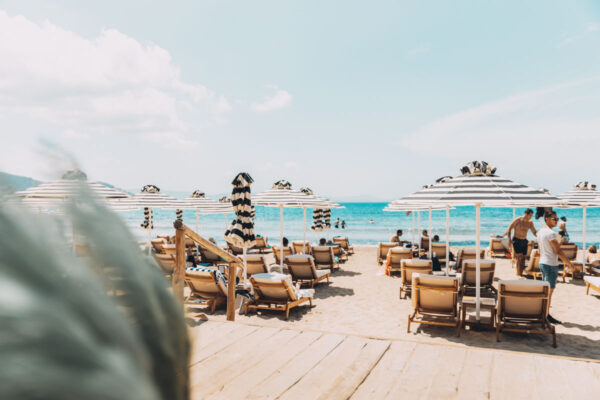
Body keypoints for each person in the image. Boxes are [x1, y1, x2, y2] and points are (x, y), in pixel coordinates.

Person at [537, 210, 574, 324]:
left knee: (545, 291)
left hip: (543, 262)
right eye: (554, 219)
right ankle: (546, 315)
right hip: (550, 264)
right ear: (546, 219)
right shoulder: (551, 234)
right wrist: (570, 265)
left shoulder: (540, 232)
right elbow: (558, 251)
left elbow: (540, 249)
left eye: (557, 219)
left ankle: (543, 313)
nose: (557, 221)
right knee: (549, 292)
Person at [503, 208, 537, 276]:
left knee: (523, 258)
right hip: (516, 240)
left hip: (524, 240)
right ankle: (518, 274)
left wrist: (540, 236)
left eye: (531, 216)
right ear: (525, 214)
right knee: (519, 257)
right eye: (530, 215)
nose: (530, 217)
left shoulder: (530, 223)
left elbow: (534, 232)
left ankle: (520, 273)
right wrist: (509, 239)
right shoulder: (517, 220)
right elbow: (509, 229)